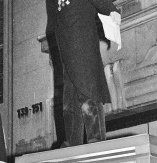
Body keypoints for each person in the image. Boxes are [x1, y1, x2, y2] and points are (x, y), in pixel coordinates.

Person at [45, 0, 121, 147]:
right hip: (66, 46)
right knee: (69, 101)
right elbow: (54, 18)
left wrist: (110, 9)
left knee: (88, 93)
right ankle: (72, 146)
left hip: (82, 41)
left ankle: (96, 142)